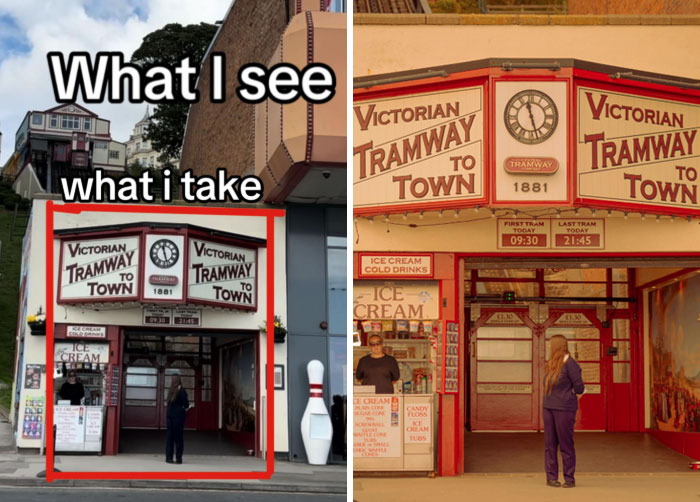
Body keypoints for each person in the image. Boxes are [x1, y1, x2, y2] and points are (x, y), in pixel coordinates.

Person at [543, 334, 585, 488]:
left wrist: (568, 396)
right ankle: (551, 477)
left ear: (556, 346)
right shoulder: (552, 363)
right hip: (548, 407)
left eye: (550, 344)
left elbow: (579, 387)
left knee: (565, 444)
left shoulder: (571, 364)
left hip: (565, 409)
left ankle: (569, 478)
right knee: (550, 444)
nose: (548, 347)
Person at [165, 374, 189, 464]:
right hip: (178, 417)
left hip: (169, 416)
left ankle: (168, 457)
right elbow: (186, 404)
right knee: (178, 438)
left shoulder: (170, 391)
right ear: (179, 380)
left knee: (169, 438)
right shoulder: (182, 391)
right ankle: (179, 459)